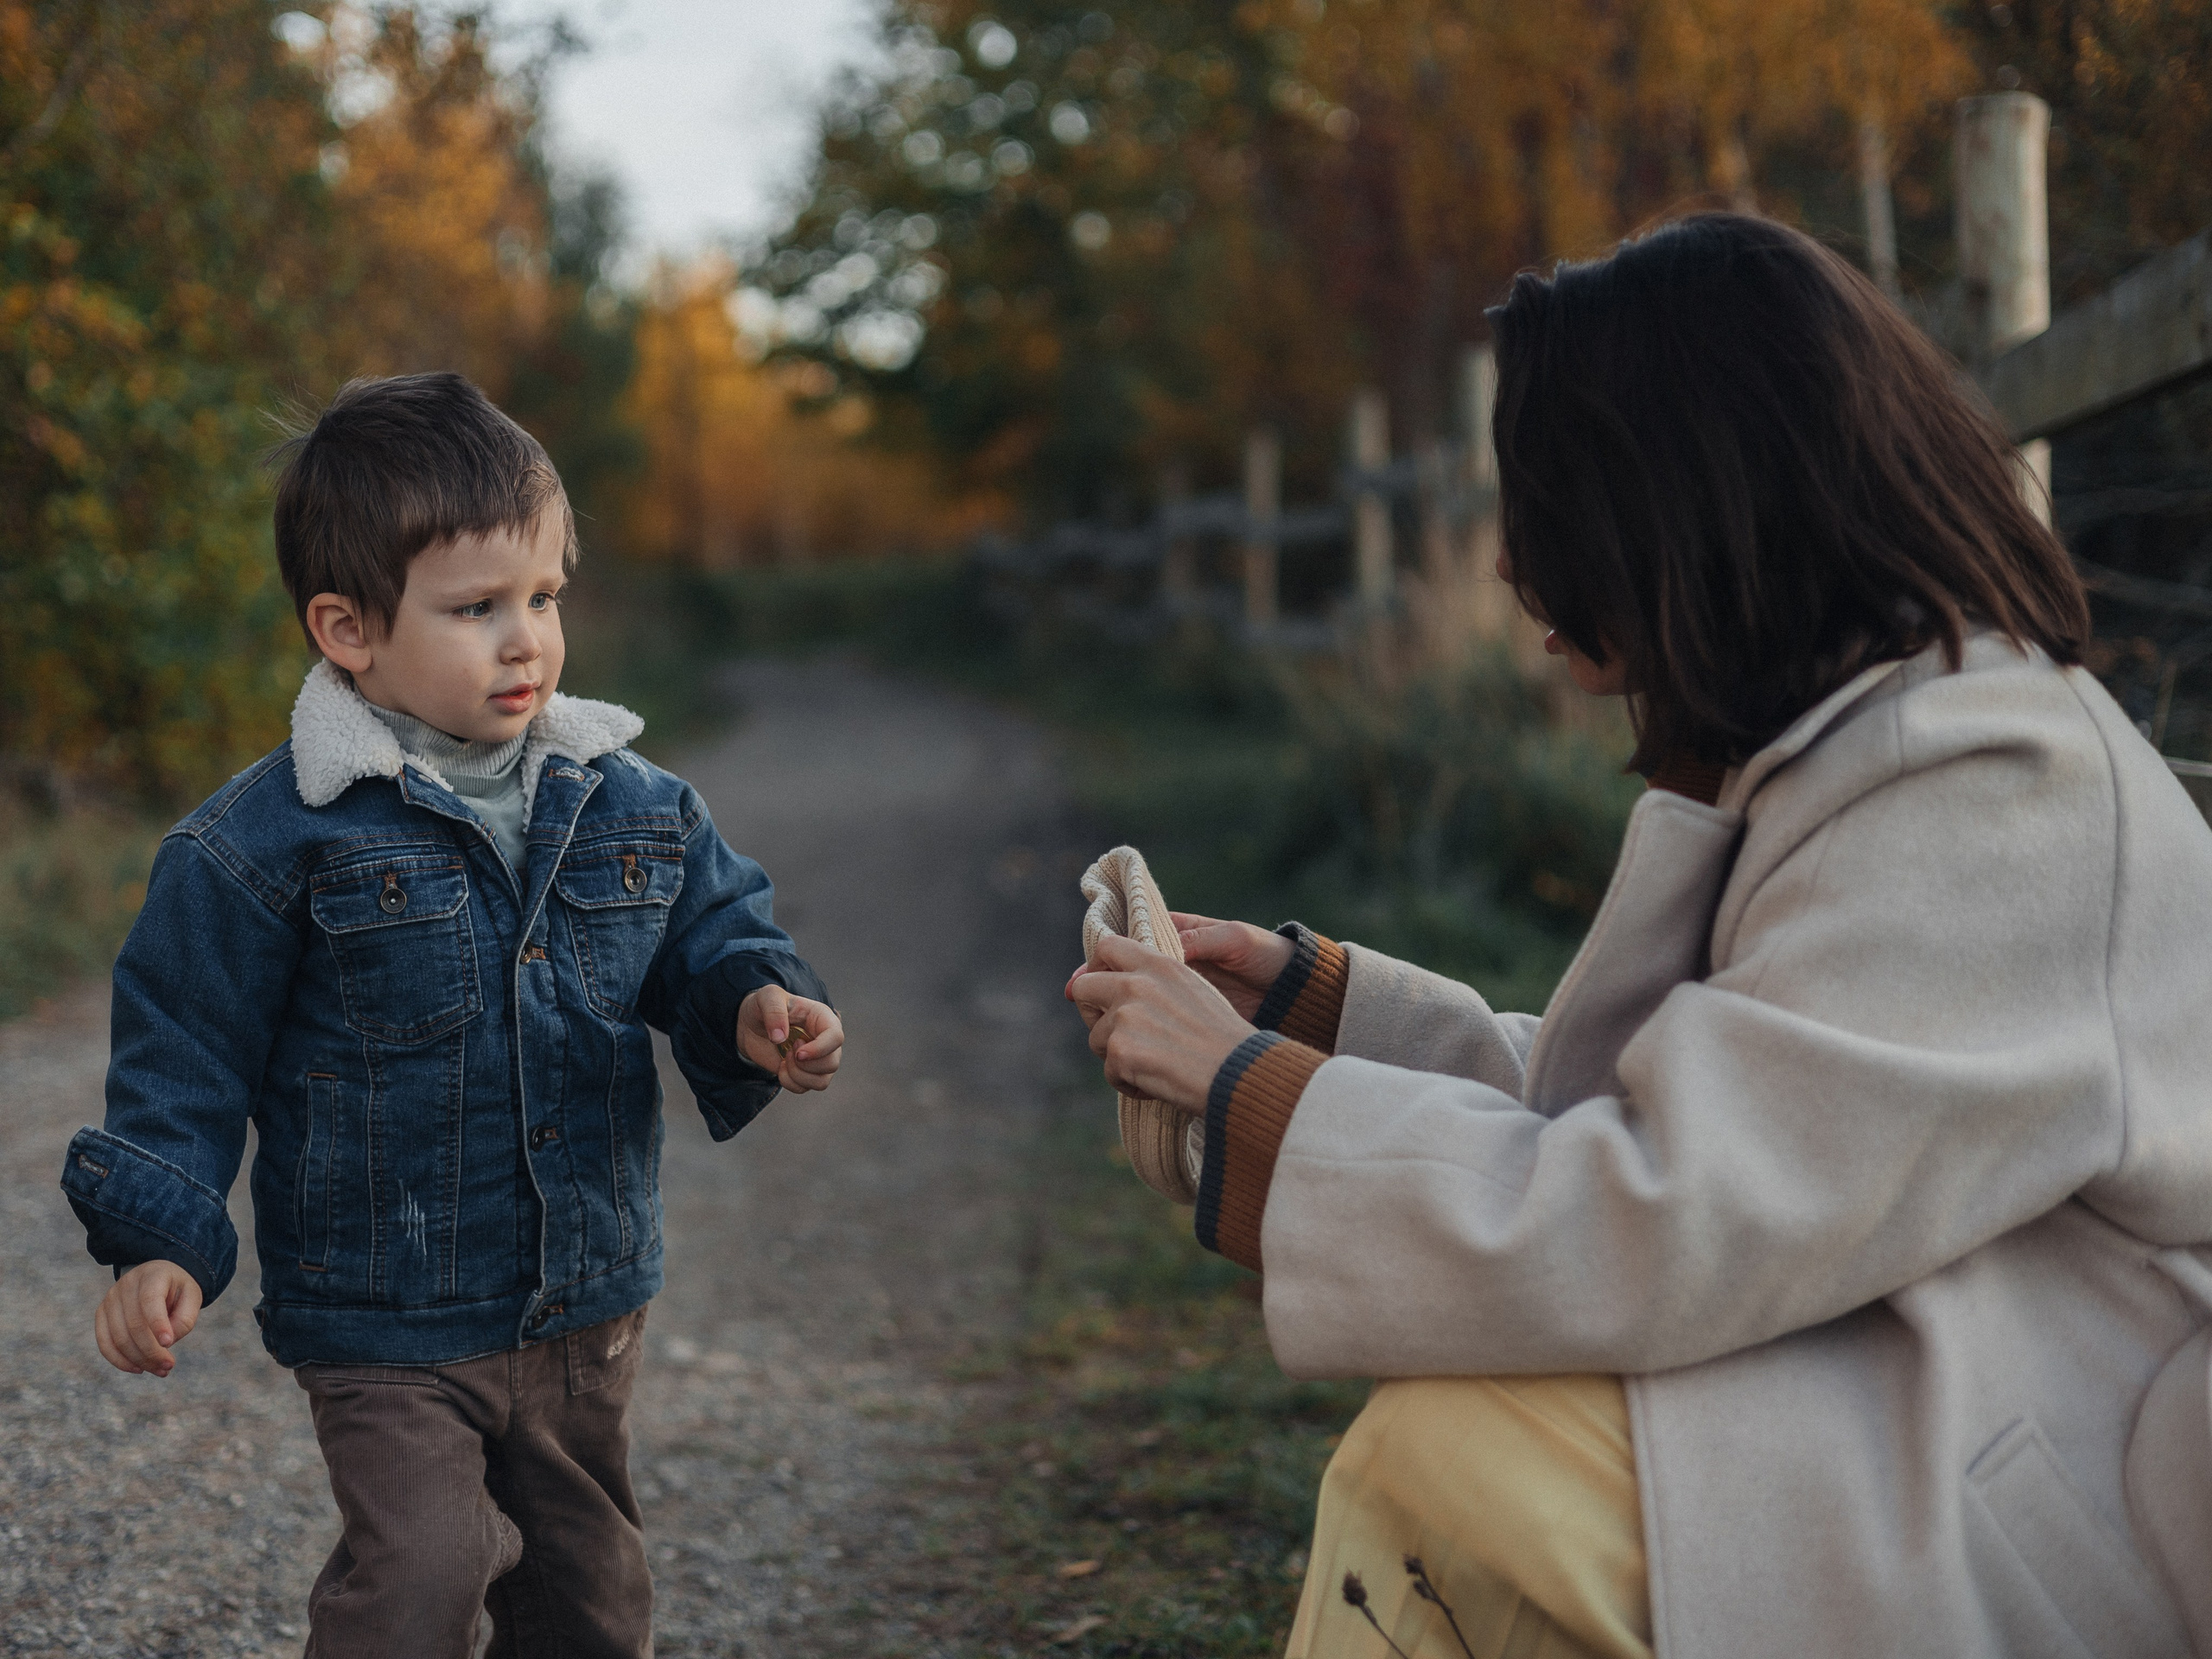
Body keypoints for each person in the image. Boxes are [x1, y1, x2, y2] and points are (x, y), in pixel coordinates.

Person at [1068, 214, 2212, 1658]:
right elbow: (1714, 1126)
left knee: (1455, 1469)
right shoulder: (1867, 747)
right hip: (1915, 1382)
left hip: (2046, 1466)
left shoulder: (1990, 793)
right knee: (1455, 1457)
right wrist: (1318, 1011)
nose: (1504, 563)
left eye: (1545, 496)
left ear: (1678, 500)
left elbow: (1678, 1209)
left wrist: (1256, 1097)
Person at [60, 372, 845, 1658]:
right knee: (425, 1571)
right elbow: (185, 1045)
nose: (526, 637)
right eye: (476, 608)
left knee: (589, 1600)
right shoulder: (266, 844)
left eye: (544, 597)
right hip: (386, 1315)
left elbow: (708, 935)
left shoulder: (630, 800)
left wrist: (760, 1002)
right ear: (348, 631)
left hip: (583, 1295)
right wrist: (160, 1237)